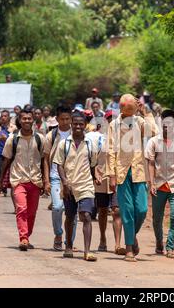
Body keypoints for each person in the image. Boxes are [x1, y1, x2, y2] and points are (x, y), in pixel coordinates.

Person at [107, 94, 158, 262]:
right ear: (121, 110)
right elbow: (110, 150)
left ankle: (131, 235)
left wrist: (146, 112)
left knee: (142, 210)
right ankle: (129, 248)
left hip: (138, 171)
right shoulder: (114, 125)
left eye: (132, 111)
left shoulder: (139, 122)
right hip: (121, 172)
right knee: (127, 211)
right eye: (126, 111)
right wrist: (112, 175)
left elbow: (155, 132)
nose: (129, 114)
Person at [0, 108, 47, 251]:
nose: (26, 121)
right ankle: (23, 238)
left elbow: (45, 161)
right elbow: (6, 161)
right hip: (18, 180)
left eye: (29, 118)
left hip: (35, 181)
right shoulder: (12, 139)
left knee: (31, 213)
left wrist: (46, 180)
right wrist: (1, 181)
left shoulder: (40, 139)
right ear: (19, 120)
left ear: (33, 120)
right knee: (21, 209)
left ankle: (27, 236)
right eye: (24, 119)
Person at [53, 111, 100, 262]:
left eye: (81, 124)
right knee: (70, 216)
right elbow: (59, 164)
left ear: (85, 125)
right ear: (71, 125)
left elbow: (92, 165)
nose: (78, 126)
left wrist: (96, 176)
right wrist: (65, 182)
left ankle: (87, 251)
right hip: (69, 185)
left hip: (86, 185)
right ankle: (68, 245)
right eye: (76, 124)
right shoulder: (64, 144)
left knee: (86, 215)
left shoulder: (90, 144)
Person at [86, 115, 126, 255]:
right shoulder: (98, 139)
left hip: (118, 177)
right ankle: (102, 238)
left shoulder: (123, 139)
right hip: (102, 177)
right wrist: (94, 173)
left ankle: (117, 244)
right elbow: (93, 158)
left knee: (116, 210)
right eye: (108, 120)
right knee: (102, 210)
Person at [145, 109, 174, 259]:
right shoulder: (154, 142)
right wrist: (151, 183)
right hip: (158, 185)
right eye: (164, 125)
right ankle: (159, 242)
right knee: (157, 218)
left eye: (170, 125)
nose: (167, 128)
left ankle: (171, 246)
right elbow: (151, 163)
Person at [43, 106, 78, 252]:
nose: (65, 122)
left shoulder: (77, 134)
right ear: (57, 119)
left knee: (72, 212)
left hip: (74, 178)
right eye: (62, 119)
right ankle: (58, 234)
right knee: (57, 207)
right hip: (56, 177)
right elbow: (45, 159)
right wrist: (46, 180)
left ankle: (69, 241)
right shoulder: (51, 135)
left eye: (67, 119)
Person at [0, 110, 16, 197]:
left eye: (5, 116)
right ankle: (3, 188)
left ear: (9, 117)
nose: (3, 118)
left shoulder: (13, 128)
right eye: (2, 116)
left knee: (10, 170)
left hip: (11, 153)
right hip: (1, 152)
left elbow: (15, 139)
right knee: (1, 170)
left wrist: (7, 137)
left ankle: (12, 187)